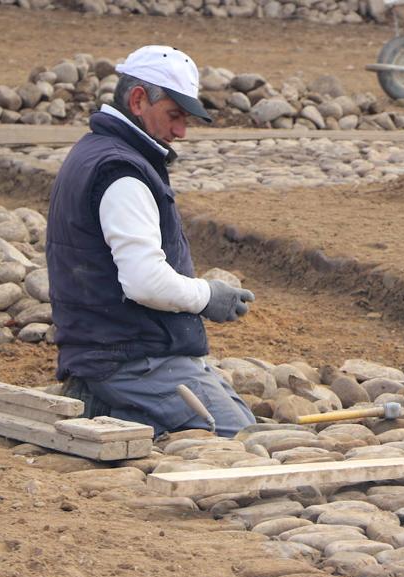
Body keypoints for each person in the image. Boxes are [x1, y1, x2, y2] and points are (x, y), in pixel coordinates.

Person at [46, 46, 257, 437]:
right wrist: (208, 295)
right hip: (131, 358)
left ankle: (104, 405)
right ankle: (108, 407)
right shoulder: (122, 172)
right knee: (239, 438)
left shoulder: (98, 152)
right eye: (174, 116)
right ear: (139, 99)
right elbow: (145, 282)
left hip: (111, 350)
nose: (181, 132)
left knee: (242, 420)